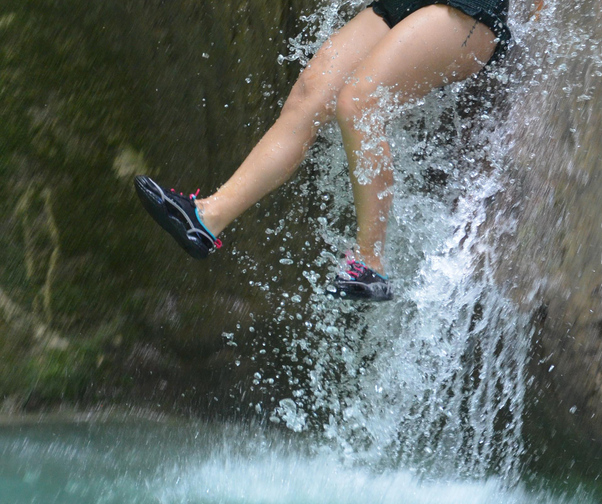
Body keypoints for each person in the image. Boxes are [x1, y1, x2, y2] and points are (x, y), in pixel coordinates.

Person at [135, 0, 511, 301]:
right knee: (310, 94)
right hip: (405, 5)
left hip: (465, 13)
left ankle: (370, 263)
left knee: (359, 103)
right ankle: (206, 218)